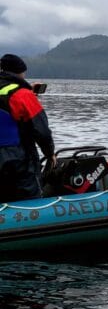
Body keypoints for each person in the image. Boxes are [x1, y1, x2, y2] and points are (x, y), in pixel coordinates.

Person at [0, 53, 56, 202]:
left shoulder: (20, 93)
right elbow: (41, 130)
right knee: (31, 197)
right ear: (20, 72)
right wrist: (50, 153)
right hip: (18, 158)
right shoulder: (22, 95)